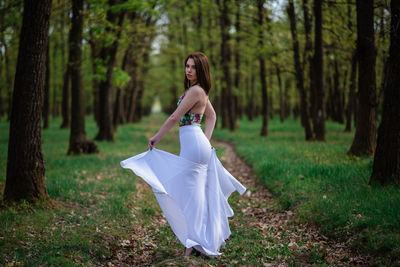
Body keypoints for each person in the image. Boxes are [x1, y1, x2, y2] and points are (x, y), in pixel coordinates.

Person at [120, 52, 246, 257]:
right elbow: (212, 116)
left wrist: (157, 137)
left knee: (192, 196)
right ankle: (195, 241)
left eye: (193, 67)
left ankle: (193, 243)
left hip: (195, 145)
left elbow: (174, 117)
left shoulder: (196, 91)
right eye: (187, 66)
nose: (188, 70)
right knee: (193, 195)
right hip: (195, 144)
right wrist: (205, 139)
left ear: (201, 70)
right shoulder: (198, 90)